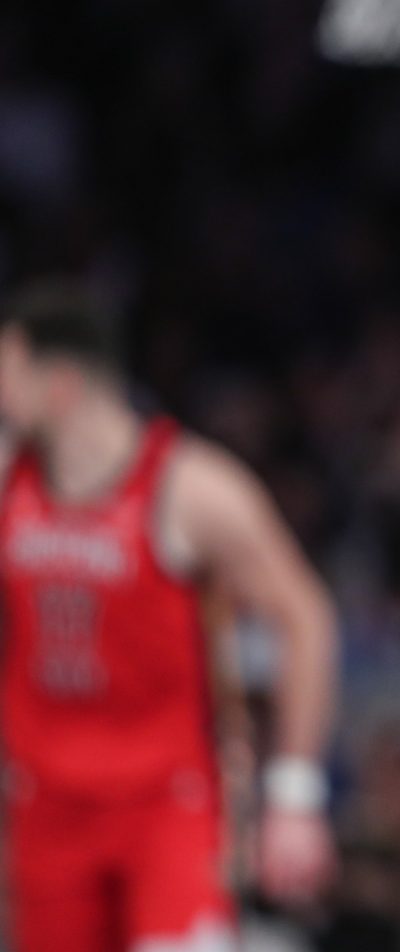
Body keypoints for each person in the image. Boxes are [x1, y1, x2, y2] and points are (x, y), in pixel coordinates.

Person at [0, 281, 339, 951]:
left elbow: (305, 617)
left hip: (167, 805)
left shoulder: (191, 488)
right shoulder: (12, 480)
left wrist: (294, 795)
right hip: (45, 804)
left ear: (60, 383)